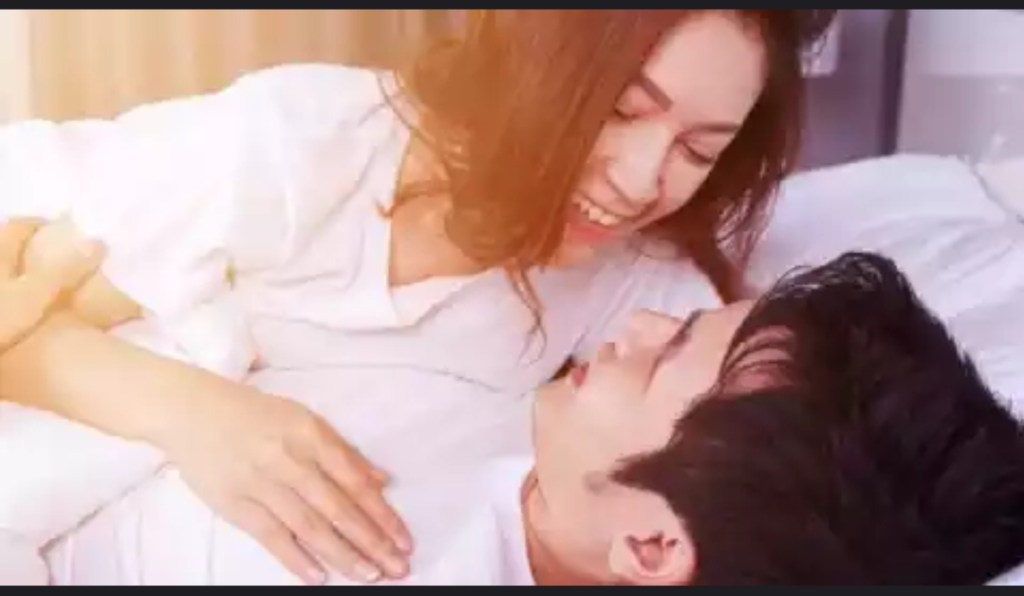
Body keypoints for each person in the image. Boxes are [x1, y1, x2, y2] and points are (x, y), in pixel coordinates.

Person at [0, 9, 836, 583]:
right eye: (621, 111)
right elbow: (18, 297)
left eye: (698, 151)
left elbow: (777, 439)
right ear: (543, 66)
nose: (643, 180)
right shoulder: (302, 150)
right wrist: (197, 415)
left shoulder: (630, 277)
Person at [41, 251, 1024, 585]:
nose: (639, 327)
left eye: (667, 356)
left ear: (651, 546)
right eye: (680, 322)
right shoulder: (506, 398)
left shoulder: (375, 549)